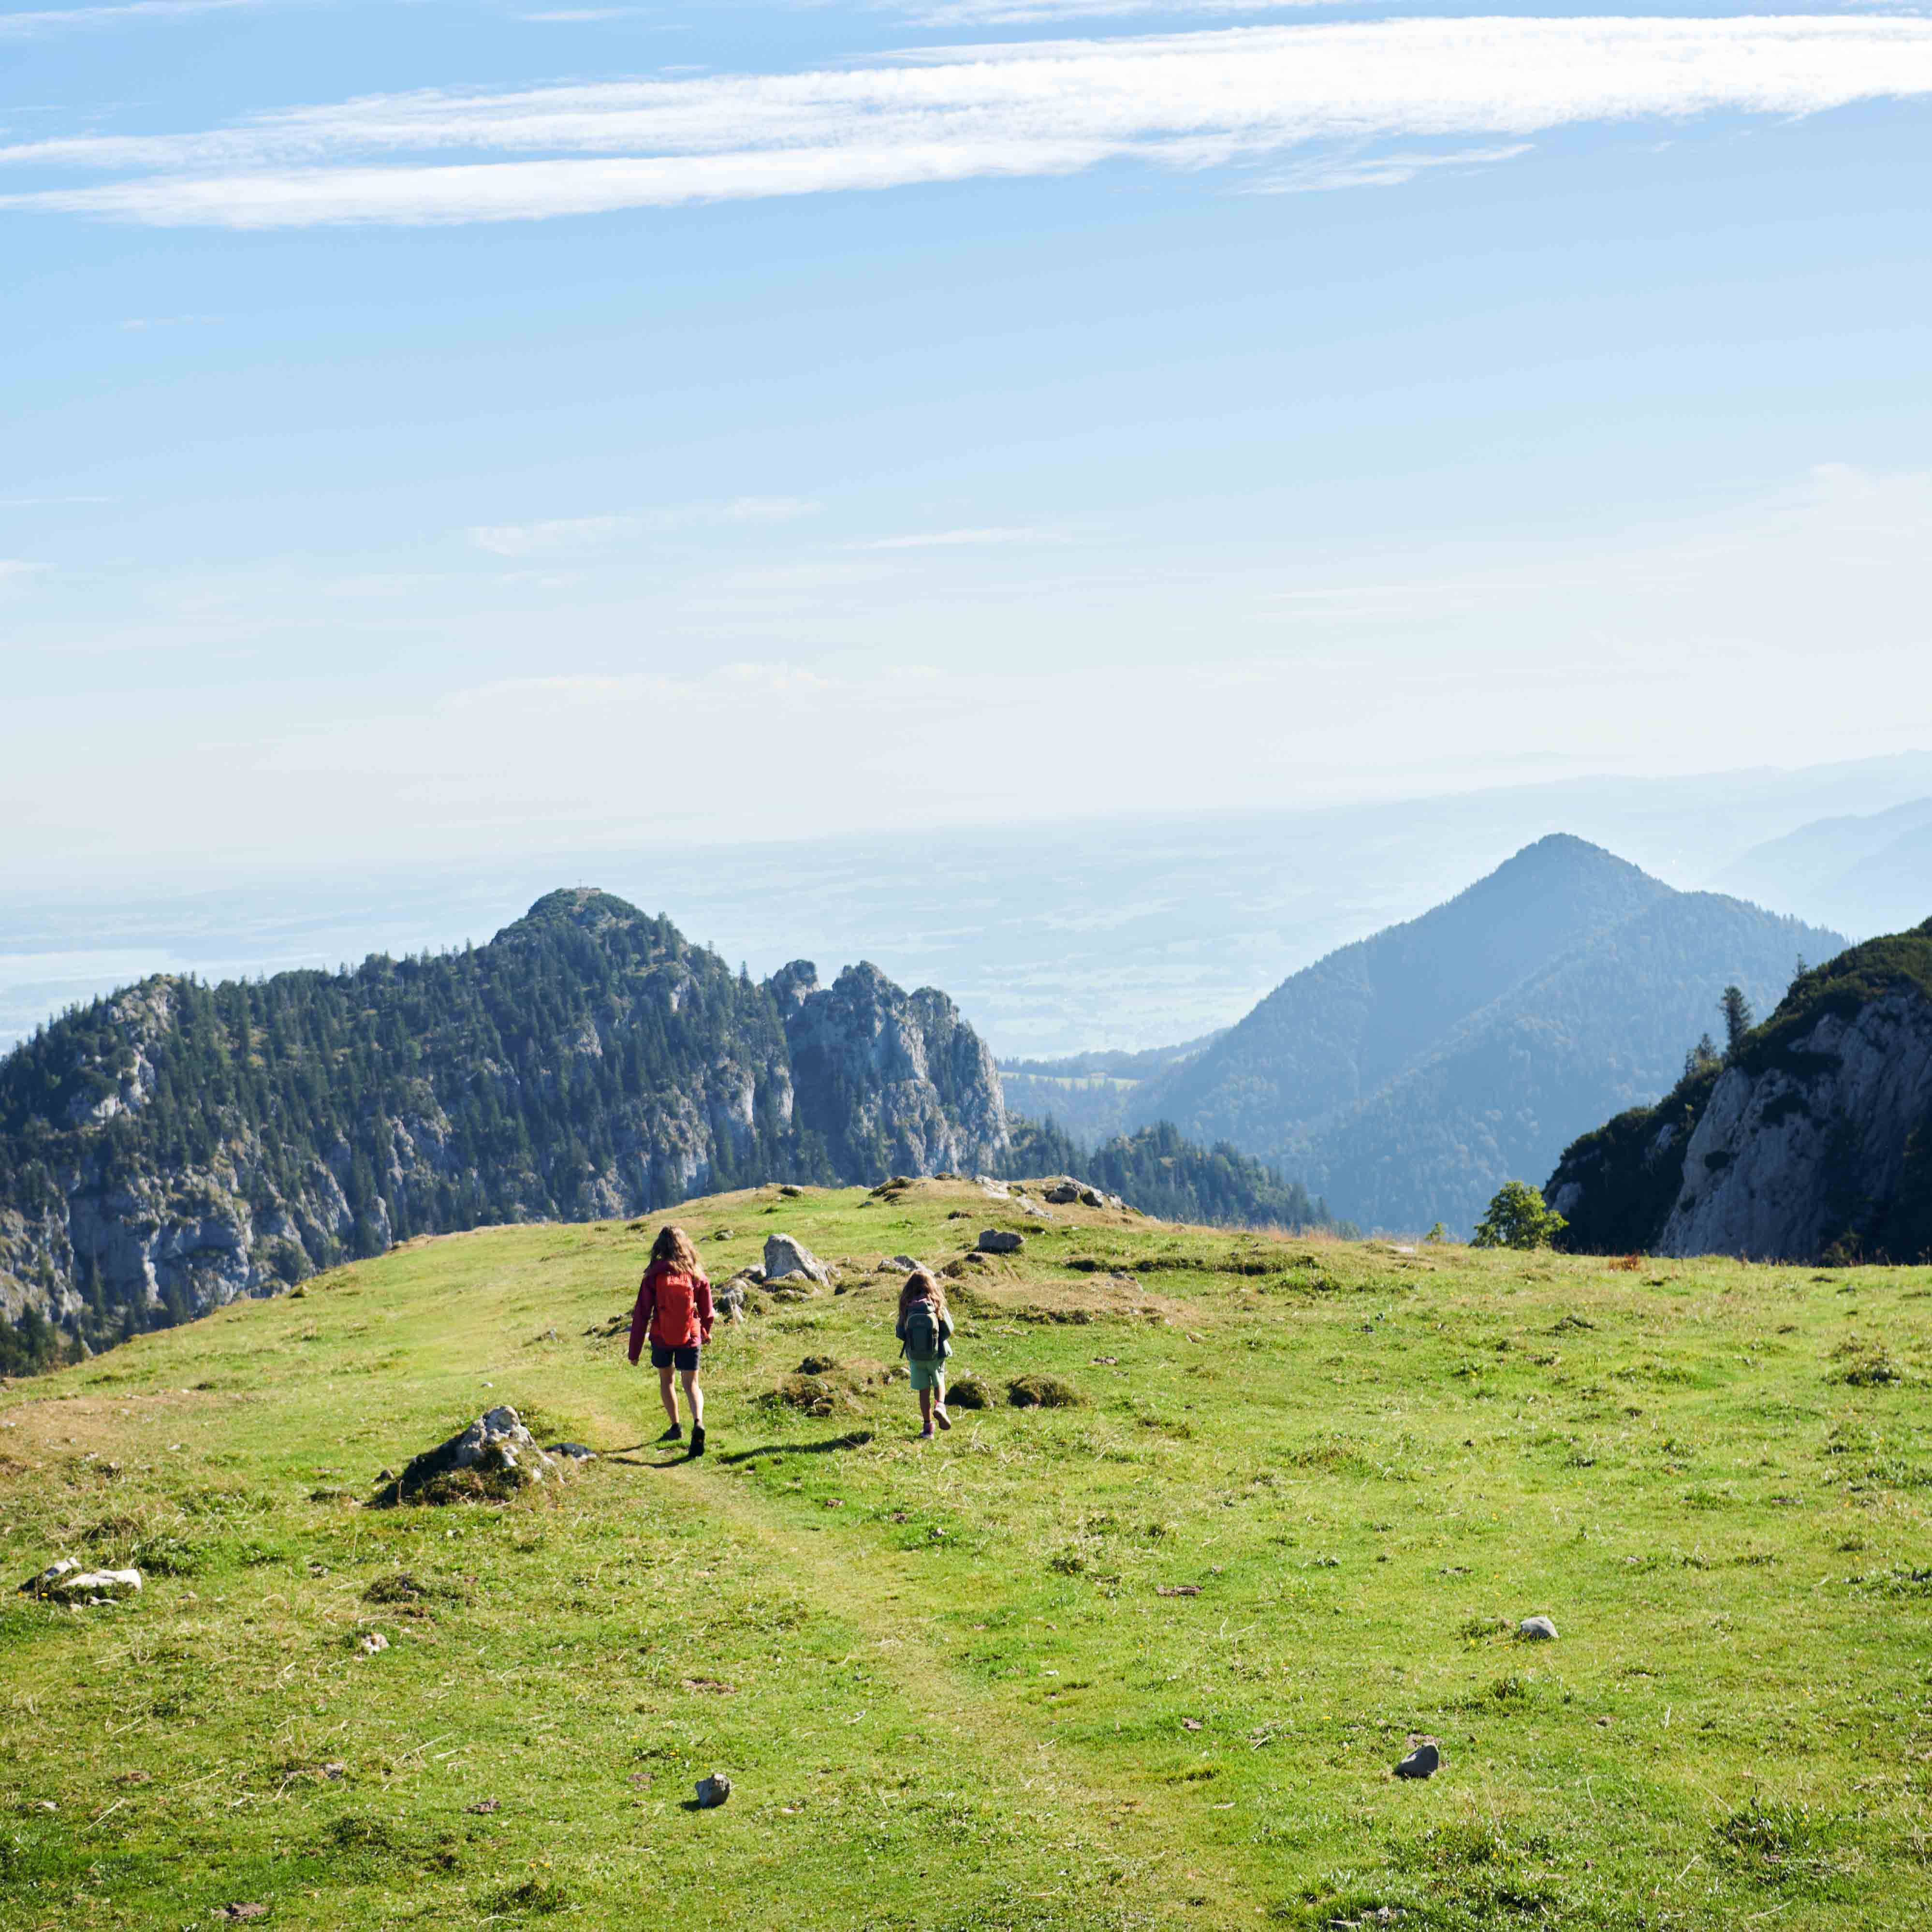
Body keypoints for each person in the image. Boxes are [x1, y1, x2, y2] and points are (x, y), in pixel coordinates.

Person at [628, 1225, 714, 1457]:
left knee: (667, 1382)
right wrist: (705, 1331)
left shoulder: (654, 1276)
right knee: (692, 1385)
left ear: (659, 1247)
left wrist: (634, 1353)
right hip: (691, 1335)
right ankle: (698, 1422)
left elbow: (641, 1315)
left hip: (661, 1337)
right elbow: (708, 1311)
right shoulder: (695, 1274)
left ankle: (676, 1427)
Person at [894, 1268, 953, 1439]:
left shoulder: (907, 1305)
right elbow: (949, 1329)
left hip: (916, 1357)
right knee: (939, 1382)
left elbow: (900, 1332)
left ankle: (928, 1429)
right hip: (936, 1355)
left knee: (923, 1392)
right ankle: (940, 1406)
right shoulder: (935, 1302)